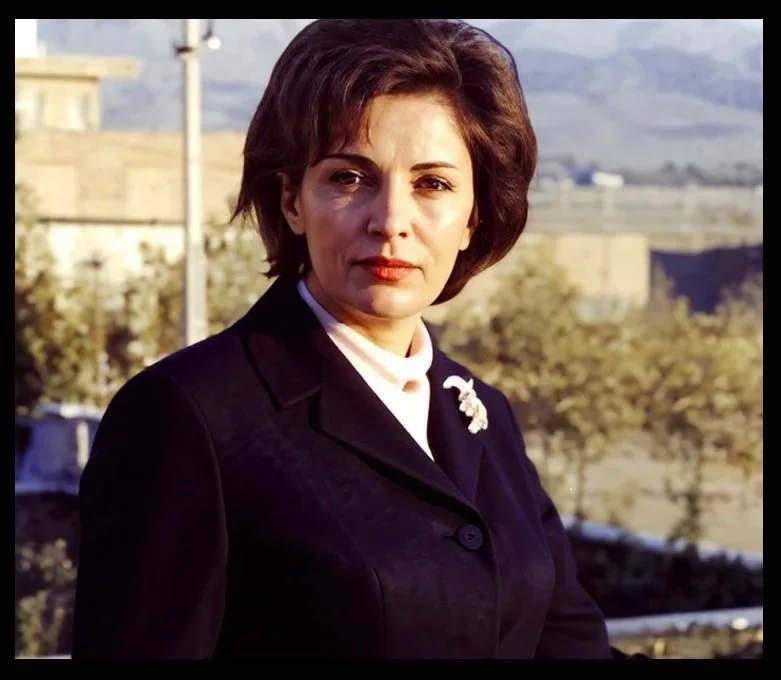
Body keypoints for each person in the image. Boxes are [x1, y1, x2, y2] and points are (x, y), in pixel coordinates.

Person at [71, 19, 639, 659]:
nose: (391, 221)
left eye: (433, 184)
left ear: (473, 216)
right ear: (292, 201)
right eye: (349, 178)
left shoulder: (483, 414)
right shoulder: (186, 416)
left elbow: (569, 649)